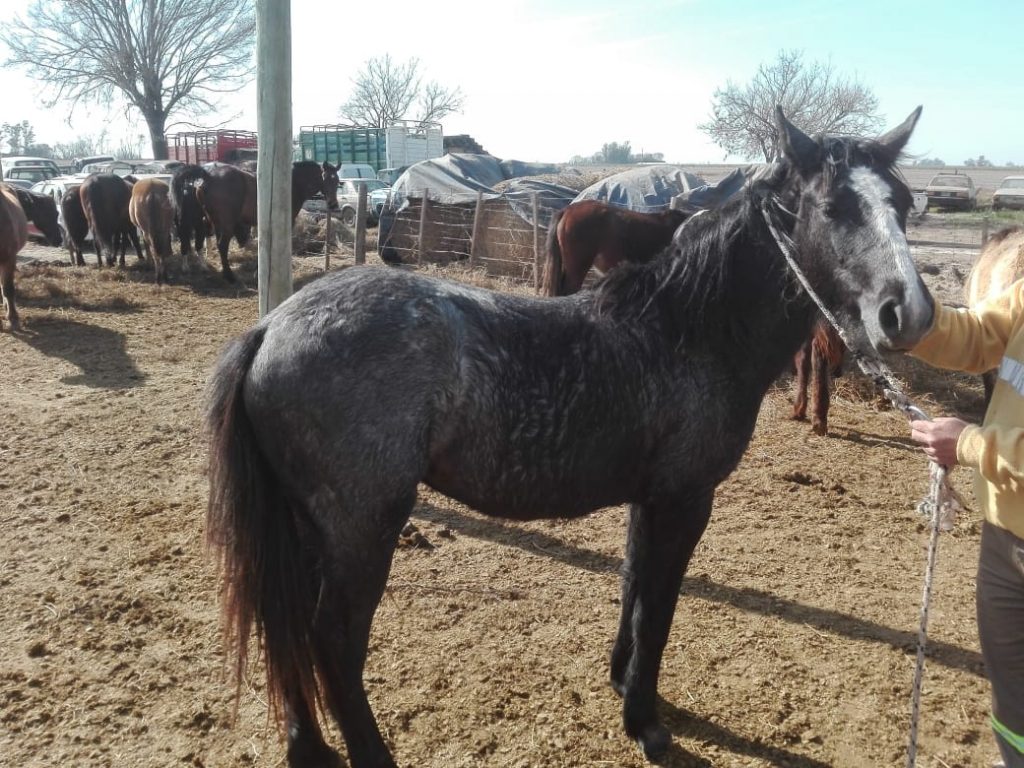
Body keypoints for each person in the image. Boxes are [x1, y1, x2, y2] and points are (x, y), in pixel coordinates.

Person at [909, 278, 1024, 768]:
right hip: (1005, 537)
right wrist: (913, 314)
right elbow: (978, 335)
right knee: (1012, 691)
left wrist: (972, 444)